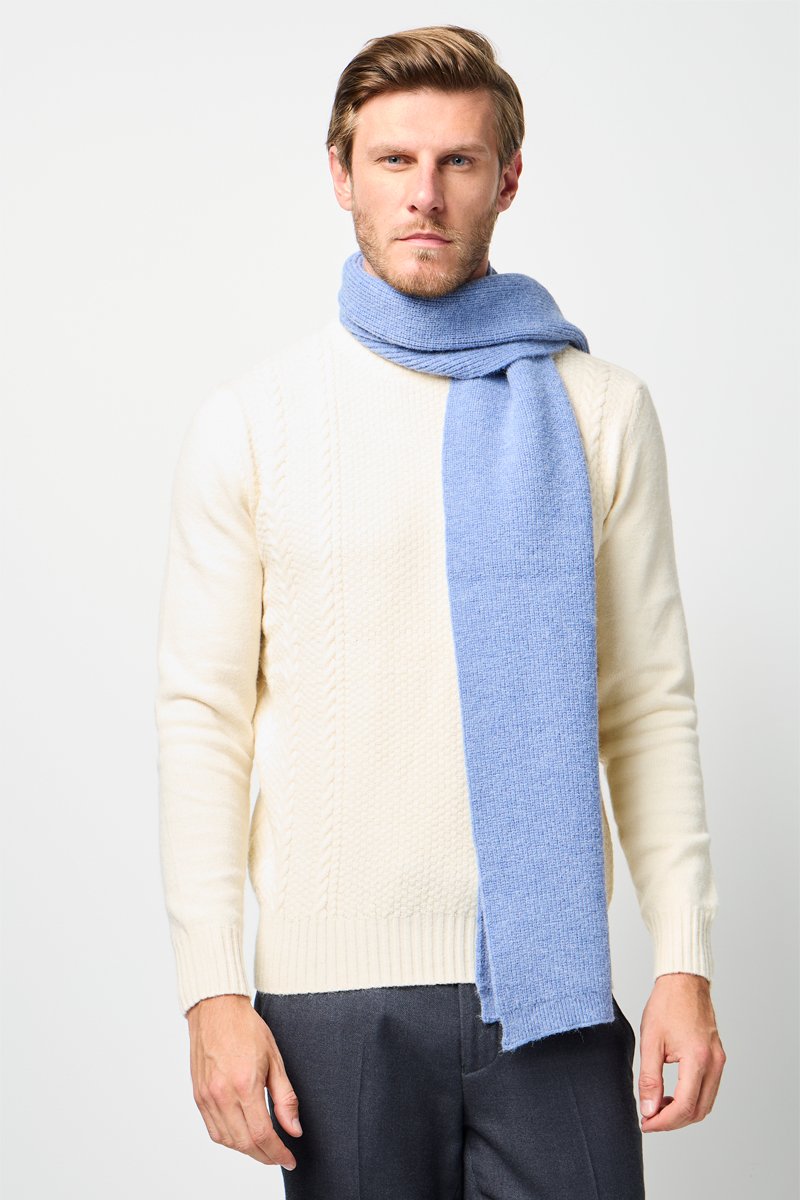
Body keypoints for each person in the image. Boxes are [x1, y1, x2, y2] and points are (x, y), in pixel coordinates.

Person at [155, 24, 726, 1198]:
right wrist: (211, 989)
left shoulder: (599, 412)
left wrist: (682, 959)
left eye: (457, 161)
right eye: (393, 160)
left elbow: (645, 703)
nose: (424, 193)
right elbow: (201, 721)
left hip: (550, 990)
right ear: (340, 174)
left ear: (505, 180)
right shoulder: (254, 422)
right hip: (332, 1003)